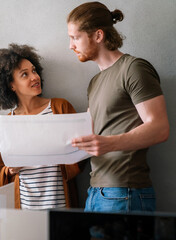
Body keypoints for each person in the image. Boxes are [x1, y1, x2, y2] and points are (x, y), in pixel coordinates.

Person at [67, 2, 169, 213]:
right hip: (96, 192)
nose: (71, 46)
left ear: (98, 35)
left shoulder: (133, 69)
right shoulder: (95, 82)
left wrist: (109, 144)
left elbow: (160, 128)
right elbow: (91, 133)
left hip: (125, 193)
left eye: (75, 37)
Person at [0, 43, 82, 209]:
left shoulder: (60, 108)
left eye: (34, 70)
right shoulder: (6, 124)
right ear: (11, 85)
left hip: (61, 204)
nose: (34, 77)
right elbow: (0, 170)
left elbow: (81, 154)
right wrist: (11, 170)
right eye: (24, 74)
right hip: (25, 208)